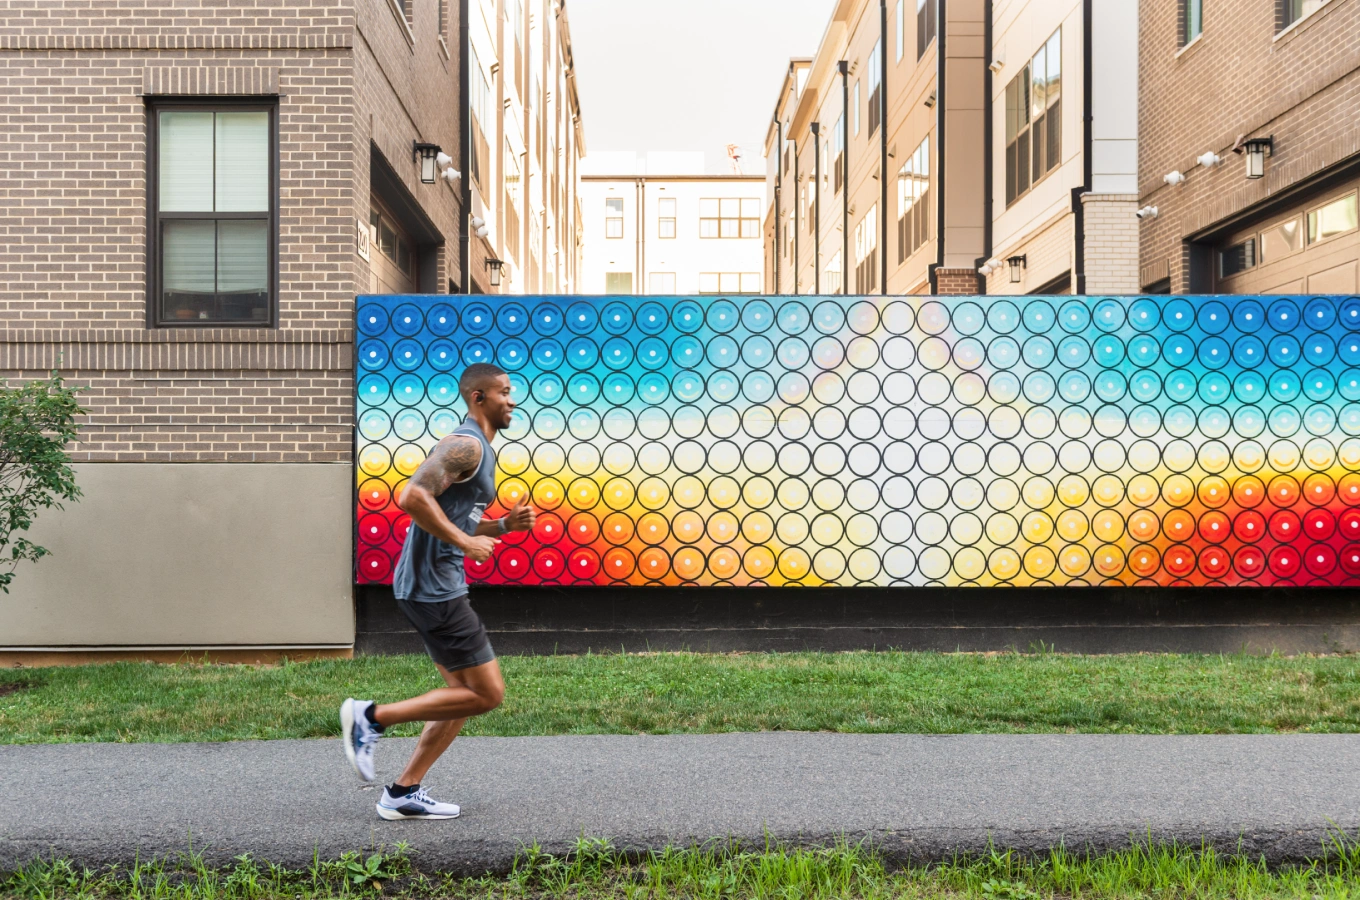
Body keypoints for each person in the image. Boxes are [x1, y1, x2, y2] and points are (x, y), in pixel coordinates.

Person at [341, 362, 535, 820]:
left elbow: (454, 517)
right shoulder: (464, 445)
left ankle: (403, 792)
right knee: (487, 694)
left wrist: (501, 526)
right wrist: (468, 543)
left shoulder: (479, 450)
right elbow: (413, 497)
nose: (512, 400)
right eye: (505, 392)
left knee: (460, 697)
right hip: (435, 590)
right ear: (478, 398)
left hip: (431, 585)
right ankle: (370, 718)